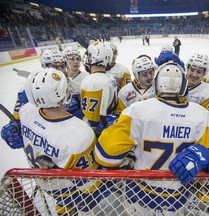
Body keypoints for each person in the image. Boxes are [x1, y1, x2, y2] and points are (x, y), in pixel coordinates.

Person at [94, 62, 209, 215]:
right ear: (183, 86)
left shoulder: (137, 110)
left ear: (157, 84)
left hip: (140, 191)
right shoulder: (202, 115)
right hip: (178, 195)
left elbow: (105, 157)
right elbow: (202, 160)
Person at [1, 68, 121, 215]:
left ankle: (63, 208)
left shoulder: (26, 111)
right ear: (65, 92)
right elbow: (89, 184)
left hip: (44, 182)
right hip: (75, 194)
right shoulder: (81, 134)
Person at [80, 41, 118, 136]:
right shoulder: (111, 79)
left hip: (90, 131)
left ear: (94, 57)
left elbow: (89, 114)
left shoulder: (88, 80)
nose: (87, 58)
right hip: (108, 130)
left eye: (89, 55)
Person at [185, 52, 209, 133]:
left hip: (195, 132)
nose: (194, 74)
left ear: (204, 73)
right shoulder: (178, 84)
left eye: (199, 72)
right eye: (192, 70)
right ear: (187, 69)